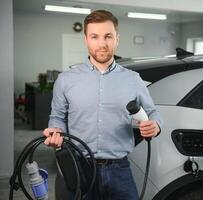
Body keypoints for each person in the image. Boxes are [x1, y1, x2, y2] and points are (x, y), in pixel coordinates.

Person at [43, 10, 163, 200]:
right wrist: (55, 132)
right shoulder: (65, 80)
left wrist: (155, 125)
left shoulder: (133, 80)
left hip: (119, 170)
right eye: (94, 36)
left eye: (108, 36)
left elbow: (153, 112)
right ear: (86, 39)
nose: (102, 43)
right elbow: (57, 117)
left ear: (117, 39)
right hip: (79, 167)